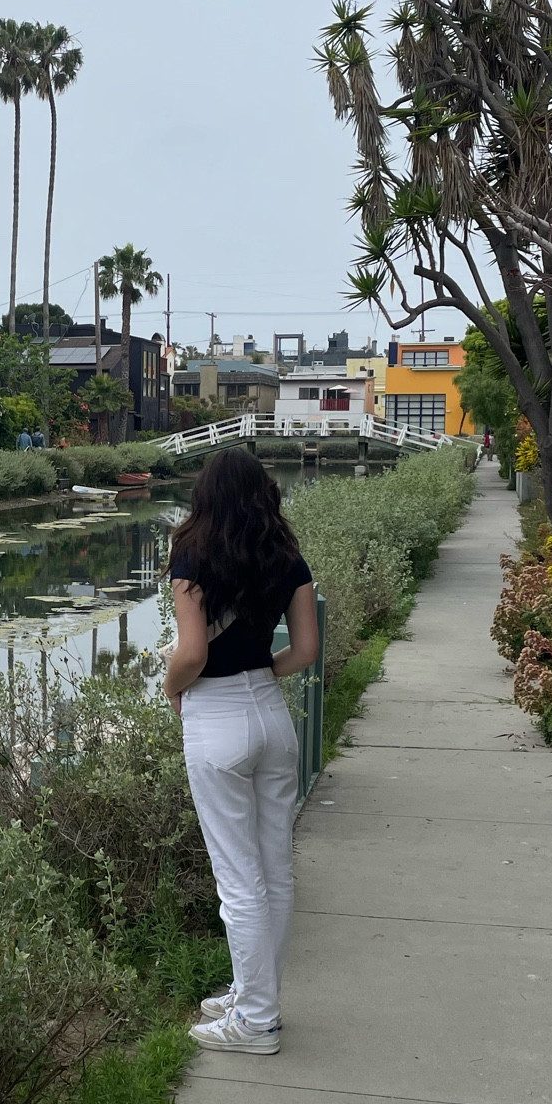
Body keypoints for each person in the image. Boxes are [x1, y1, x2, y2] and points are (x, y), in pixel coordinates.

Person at [164, 445, 319, 1055]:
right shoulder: (288, 558)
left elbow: (191, 653)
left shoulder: (191, 555)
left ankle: (255, 1023)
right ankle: (257, 995)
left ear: (205, 494)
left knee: (238, 880)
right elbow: (304, 652)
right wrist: (259, 675)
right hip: (273, 719)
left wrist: (172, 687)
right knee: (274, 870)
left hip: (218, 720)